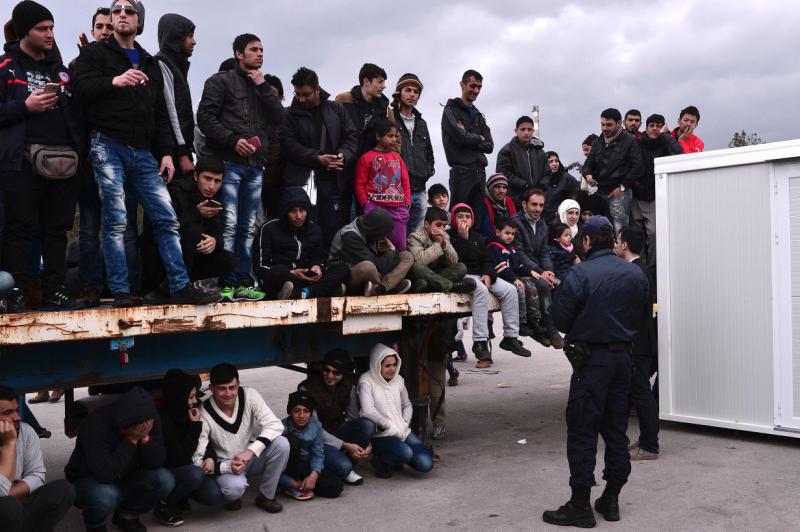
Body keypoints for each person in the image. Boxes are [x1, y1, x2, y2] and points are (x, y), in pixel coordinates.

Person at [72, 0, 216, 307]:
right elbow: (79, 88)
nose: (122, 14)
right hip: (107, 144)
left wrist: (166, 153)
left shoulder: (150, 62)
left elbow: (160, 113)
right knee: (116, 220)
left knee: (167, 218)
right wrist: (114, 81)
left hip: (143, 151)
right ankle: (121, 291)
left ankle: (179, 286)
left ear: (139, 22)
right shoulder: (95, 54)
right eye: (117, 10)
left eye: (130, 11)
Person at [542, 216, 649, 527]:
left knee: (582, 430)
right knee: (616, 429)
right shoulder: (636, 273)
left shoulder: (580, 273)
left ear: (586, 241)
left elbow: (560, 319)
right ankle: (611, 499)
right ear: (612, 241)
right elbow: (642, 317)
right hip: (623, 360)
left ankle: (580, 504)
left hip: (592, 362)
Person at [1, 1, 83, 311]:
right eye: (41, 29)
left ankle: (54, 291)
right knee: (19, 229)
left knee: (56, 231)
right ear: (24, 31)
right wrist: (25, 107)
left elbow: (77, 114)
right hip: (21, 162)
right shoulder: (5, 66)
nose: (49, 34)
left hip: (64, 162)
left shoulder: (60, 71)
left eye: (51, 28)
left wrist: (81, 151)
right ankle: (16, 292)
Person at [196, 33, 284, 303]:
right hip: (229, 163)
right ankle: (225, 282)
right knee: (230, 224)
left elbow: (279, 117)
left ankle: (243, 282)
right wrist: (233, 140)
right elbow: (205, 118)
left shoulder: (262, 86)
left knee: (248, 227)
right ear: (238, 53)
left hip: (255, 166)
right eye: (254, 49)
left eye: (262, 49)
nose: (260, 54)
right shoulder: (220, 81)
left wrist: (264, 88)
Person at [74, 5, 140, 309]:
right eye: (99, 27)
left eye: (108, 27)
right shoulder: (81, 66)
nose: (104, 31)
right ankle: (90, 287)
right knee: (89, 228)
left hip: (123, 156)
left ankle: (130, 288)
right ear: (93, 30)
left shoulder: (131, 65)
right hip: (89, 160)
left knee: (126, 226)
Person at [65, 386, 179, 531]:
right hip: (88, 479)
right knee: (106, 495)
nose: (144, 427)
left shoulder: (149, 419)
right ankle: (95, 525)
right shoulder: (95, 424)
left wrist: (145, 438)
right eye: (139, 428)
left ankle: (127, 515)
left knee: (165, 480)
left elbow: (156, 462)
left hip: (125, 475)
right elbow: (104, 474)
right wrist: (131, 440)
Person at [192, 363, 289, 513]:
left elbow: (275, 425)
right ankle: (234, 497)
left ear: (238, 384)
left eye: (232, 387)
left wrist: (251, 451)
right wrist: (226, 466)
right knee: (234, 489)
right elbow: (196, 460)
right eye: (222, 388)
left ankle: (266, 495)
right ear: (211, 388)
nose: (228, 393)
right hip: (227, 464)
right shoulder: (204, 413)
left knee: (282, 444)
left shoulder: (249, 395)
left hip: (250, 457)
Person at [280, 66, 358, 249]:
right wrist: (317, 157)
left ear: (317, 89)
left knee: (332, 230)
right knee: (304, 230)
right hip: (302, 183)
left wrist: (343, 155)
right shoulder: (290, 114)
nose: (301, 99)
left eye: (306, 94)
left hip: (333, 181)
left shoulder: (336, 109)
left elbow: (351, 136)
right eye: (298, 94)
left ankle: (327, 265)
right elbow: (288, 145)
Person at [139, 156, 234, 302]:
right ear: (196, 176)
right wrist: (196, 213)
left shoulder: (216, 198)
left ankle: (170, 289)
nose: (212, 186)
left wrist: (215, 241)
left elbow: (218, 232)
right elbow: (162, 228)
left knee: (227, 260)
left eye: (217, 181)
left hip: (190, 257)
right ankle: (170, 287)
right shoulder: (176, 190)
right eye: (207, 179)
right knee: (192, 231)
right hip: (158, 256)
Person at [448, 203, 531, 365]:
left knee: (510, 290)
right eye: (460, 217)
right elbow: (455, 260)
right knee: (481, 290)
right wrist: (463, 239)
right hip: (462, 274)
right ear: (453, 219)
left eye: (468, 217)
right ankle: (480, 341)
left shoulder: (478, 237)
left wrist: (488, 274)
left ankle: (510, 337)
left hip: (481, 275)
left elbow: (487, 259)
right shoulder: (450, 236)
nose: (464, 220)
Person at [0, 385, 74, 532]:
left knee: (64, 490)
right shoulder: (11, 439)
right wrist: (9, 443)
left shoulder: (26, 431)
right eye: (7, 413)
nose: (17, 417)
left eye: (16, 410)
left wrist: (11, 494)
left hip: (15, 505)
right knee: (9, 507)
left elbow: (37, 475)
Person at [253, 187, 350, 299]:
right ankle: (324, 290)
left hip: (306, 278)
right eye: (293, 211)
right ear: (285, 212)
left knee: (342, 268)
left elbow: (318, 258)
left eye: (302, 210)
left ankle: (305, 293)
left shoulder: (314, 229)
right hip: (284, 276)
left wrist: (316, 266)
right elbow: (261, 267)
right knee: (277, 274)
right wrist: (290, 272)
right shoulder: (268, 229)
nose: (298, 216)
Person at [614, 226, 659, 462]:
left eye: (617, 240)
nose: (615, 244)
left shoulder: (635, 272)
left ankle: (650, 445)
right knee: (639, 392)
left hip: (638, 342)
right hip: (641, 340)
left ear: (625, 245)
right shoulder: (640, 269)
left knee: (642, 394)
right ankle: (646, 440)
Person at [298, 349, 374, 486]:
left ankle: (343, 463)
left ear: (344, 373)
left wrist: (367, 443)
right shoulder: (307, 388)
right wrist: (345, 445)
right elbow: (315, 429)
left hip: (337, 431)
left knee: (367, 425)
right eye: (326, 370)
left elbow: (353, 418)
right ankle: (343, 467)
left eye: (336, 372)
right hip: (317, 440)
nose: (330, 375)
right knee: (344, 466)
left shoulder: (349, 386)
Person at [157, 369, 223, 523]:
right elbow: (179, 458)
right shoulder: (163, 420)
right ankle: (164, 505)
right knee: (194, 475)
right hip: (172, 470)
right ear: (178, 397)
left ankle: (182, 496)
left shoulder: (190, 411)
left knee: (213, 495)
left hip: (192, 466)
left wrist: (210, 457)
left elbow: (205, 441)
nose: (194, 401)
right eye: (191, 397)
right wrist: (194, 427)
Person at [358, 343, 433, 478]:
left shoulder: (398, 379)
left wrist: (405, 422)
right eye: (387, 366)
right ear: (377, 364)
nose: (392, 369)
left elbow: (407, 404)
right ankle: (380, 460)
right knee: (406, 453)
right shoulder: (366, 381)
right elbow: (367, 410)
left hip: (402, 430)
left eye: (394, 364)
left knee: (426, 464)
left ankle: (397, 457)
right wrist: (388, 425)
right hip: (381, 435)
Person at [336, 63, 391, 223]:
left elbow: (393, 140)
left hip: (371, 173)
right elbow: (333, 131)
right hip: (343, 169)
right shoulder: (343, 100)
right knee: (341, 217)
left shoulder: (385, 109)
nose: (384, 86)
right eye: (380, 81)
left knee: (367, 218)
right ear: (366, 81)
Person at [512, 188, 565, 349]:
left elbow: (544, 252)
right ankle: (550, 330)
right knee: (543, 285)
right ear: (524, 204)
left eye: (541, 205)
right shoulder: (515, 223)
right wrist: (541, 272)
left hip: (538, 269)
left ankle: (545, 327)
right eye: (534, 204)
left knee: (558, 284)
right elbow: (519, 253)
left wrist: (548, 271)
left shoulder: (542, 224)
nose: (538, 209)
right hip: (521, 269)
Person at [486, 216, 549, 343]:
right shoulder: (494, 247)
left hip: (512, 277)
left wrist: (531, 272)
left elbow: (519, 265)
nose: (510, 236)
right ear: (498, 232)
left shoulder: (511, 247)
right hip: (503, 278)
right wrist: (514, 279)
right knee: (520, 289)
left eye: (513, 234)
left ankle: (533, 320)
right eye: (507, 233)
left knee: (531, 286)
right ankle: (521, 321)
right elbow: (501, 269)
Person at [581, 108, 644, 233]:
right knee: (598, 230)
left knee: (619, 229)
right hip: (600, 192)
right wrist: (588, 175)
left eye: (609, 125)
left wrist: (622, 187)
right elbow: (588, 164)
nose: (604, 128)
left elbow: (638, 168)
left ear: (619, 123)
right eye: (602, 124)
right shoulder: (598, 142)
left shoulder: (630, 141)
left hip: (619, 193)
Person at [441, 69, 493, 221]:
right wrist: (479, 138)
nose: (476, 90)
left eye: (479, 87)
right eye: (472, 86)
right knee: (459, 219)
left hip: (480, 173)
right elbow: (460, 137)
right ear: (462, 85)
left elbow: (490, 146)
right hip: (461, 173)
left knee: (477, 220)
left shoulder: (479, 116)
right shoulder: (450, 110)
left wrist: (469, 137)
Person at [635, 113, 682, 277]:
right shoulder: (638, 143)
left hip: (655, 196)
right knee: (637, 234)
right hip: (636, 195)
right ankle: (639, 268)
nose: (655, 129)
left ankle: (652, 270)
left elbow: (678, 152)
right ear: (646, 127)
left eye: (659, 126)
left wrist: (665, 135)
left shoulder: (665, 144)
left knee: (653, 234)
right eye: (652, 125)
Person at [354, 117, 411, 251]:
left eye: (395, 136)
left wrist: (406, 203)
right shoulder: (366, 158)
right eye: (390, 136)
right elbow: (359, 184)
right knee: (375, 247)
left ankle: (402, 264)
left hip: (398, 208)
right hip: (376, 208)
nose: (394, 139)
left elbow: (405, 182)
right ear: (378, 136)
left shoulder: (398, 158)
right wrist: (366, 205)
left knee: (400, 246)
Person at [328, 207, 413, 296]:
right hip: (348, 276)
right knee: (368, 267)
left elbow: (385, 262)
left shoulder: (370, 231)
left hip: (375, 272)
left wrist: (390, 251)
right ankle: (391, 287)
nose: (385, 237)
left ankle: (382, 287)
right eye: (383, 234)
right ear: (375, 231)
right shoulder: (350, 236)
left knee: (407, 256)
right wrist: (391, 252)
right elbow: (377, 266)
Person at [390, 73, 435, 233]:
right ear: (399, 92)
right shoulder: (390, 118)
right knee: (397, 231)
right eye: (408, 90)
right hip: (398, 188)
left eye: (416, 92)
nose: (412, 94)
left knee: (416, 234)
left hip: (420, 187)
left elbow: (429, 152)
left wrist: (428, 171)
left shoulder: (422, 123)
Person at [279, 391, 343, 500]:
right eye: (297, 411)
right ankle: (290, 486)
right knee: (290, 441)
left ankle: (306, 485)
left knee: (335, 487)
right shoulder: (280, 428)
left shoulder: (316, 426)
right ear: (290, 412)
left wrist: (314, 475)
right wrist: (293, 483)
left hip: (306, 465)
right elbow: (271, 467)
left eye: (306, 411)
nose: (301, 416)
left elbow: (318, 453)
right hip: (288, 467)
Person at [155, 13, 196, 180]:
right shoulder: (161, 63)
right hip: (171, 155)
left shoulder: (177, 66)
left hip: (179, 151)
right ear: (176, 37)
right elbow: (169, 111)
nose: (194, 41)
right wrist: (182, 154)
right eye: (190, 36)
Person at [407, 207, 475, 294]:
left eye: (444, 226)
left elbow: (453, 262)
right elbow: (419, 261)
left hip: (436, 274)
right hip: (423, 273)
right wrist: (438, 244)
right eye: (438, 225)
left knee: (461, 267)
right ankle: (450, 286)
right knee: (416, 267)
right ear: (427, 224)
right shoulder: (415, 237)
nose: (442, 229)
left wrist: (444, 244)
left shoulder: (445, 236)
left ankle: (430, 286)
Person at [496, 115, 547, 208]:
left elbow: (548, 173)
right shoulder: (507, 150)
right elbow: (503, 173)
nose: (526, 132)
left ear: (533, 131)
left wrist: (541, 187)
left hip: (537, 202)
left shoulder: (540, 152)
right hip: (515, 201)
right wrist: (524, 185)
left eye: (529, 129)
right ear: (516, 131)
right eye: (523, 129)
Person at [540, 151, 578, 223]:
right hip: (543, 220)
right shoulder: (541, 178)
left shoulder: (568, 179)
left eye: (556, 161)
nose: (554, 164)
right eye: (550, 161)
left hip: (560, 221)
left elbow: (575, 199)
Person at [479, 172, 516, 238]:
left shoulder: (509, 202)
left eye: (504, 187)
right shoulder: (483, 204)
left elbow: (515, 225)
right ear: (490, 188)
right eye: (497, 187)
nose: (501, 191)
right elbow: (486, 231)